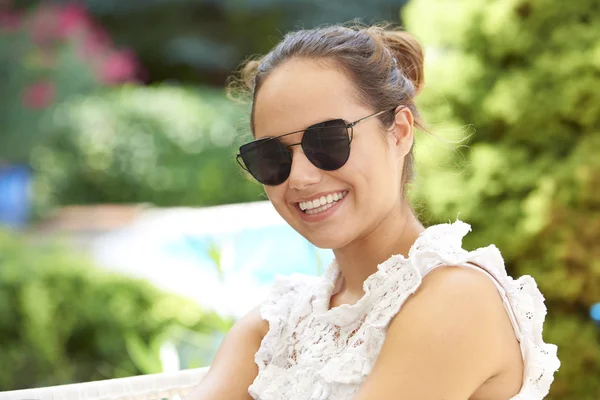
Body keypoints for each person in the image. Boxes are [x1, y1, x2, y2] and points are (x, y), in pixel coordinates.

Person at [186, 23, 560, 400]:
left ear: (399, 132)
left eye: (327, 140)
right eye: (271, 156)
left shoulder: (456, 299)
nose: (299, 177)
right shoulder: (274, 327)